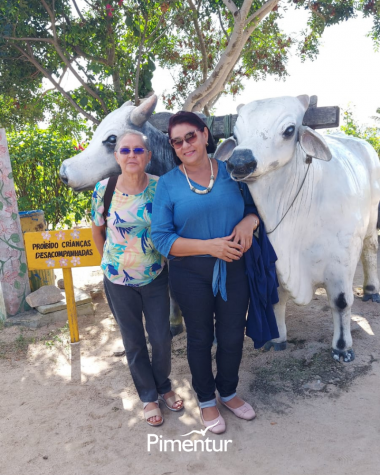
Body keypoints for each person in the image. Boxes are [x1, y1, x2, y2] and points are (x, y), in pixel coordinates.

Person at [151, 112, 259, 434]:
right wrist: (209, 247)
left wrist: (248, 221)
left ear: (205, 134)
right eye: (177, 141)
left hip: (233, 267)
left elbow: (257, 209)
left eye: (191, 136)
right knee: (200, 338)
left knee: (231, 336)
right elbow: (161, 238)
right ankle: (206, 400)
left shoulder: (231, 172)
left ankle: (227, 392)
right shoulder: (169, 184)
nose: (185, 145)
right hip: (190, 273)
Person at [91, 129, 183, 427]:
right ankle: (148, 396)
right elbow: (97, 228)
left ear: (148, 156)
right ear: (117, 156)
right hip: (117, 281)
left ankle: (164, 384)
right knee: (133, 341)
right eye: (125, 150)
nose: (132, 155)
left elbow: (171, 228)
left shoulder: (161, 187)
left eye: (138, 150)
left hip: (155, 276)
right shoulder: (103, 189)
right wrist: (107, 262)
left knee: (160, 337)